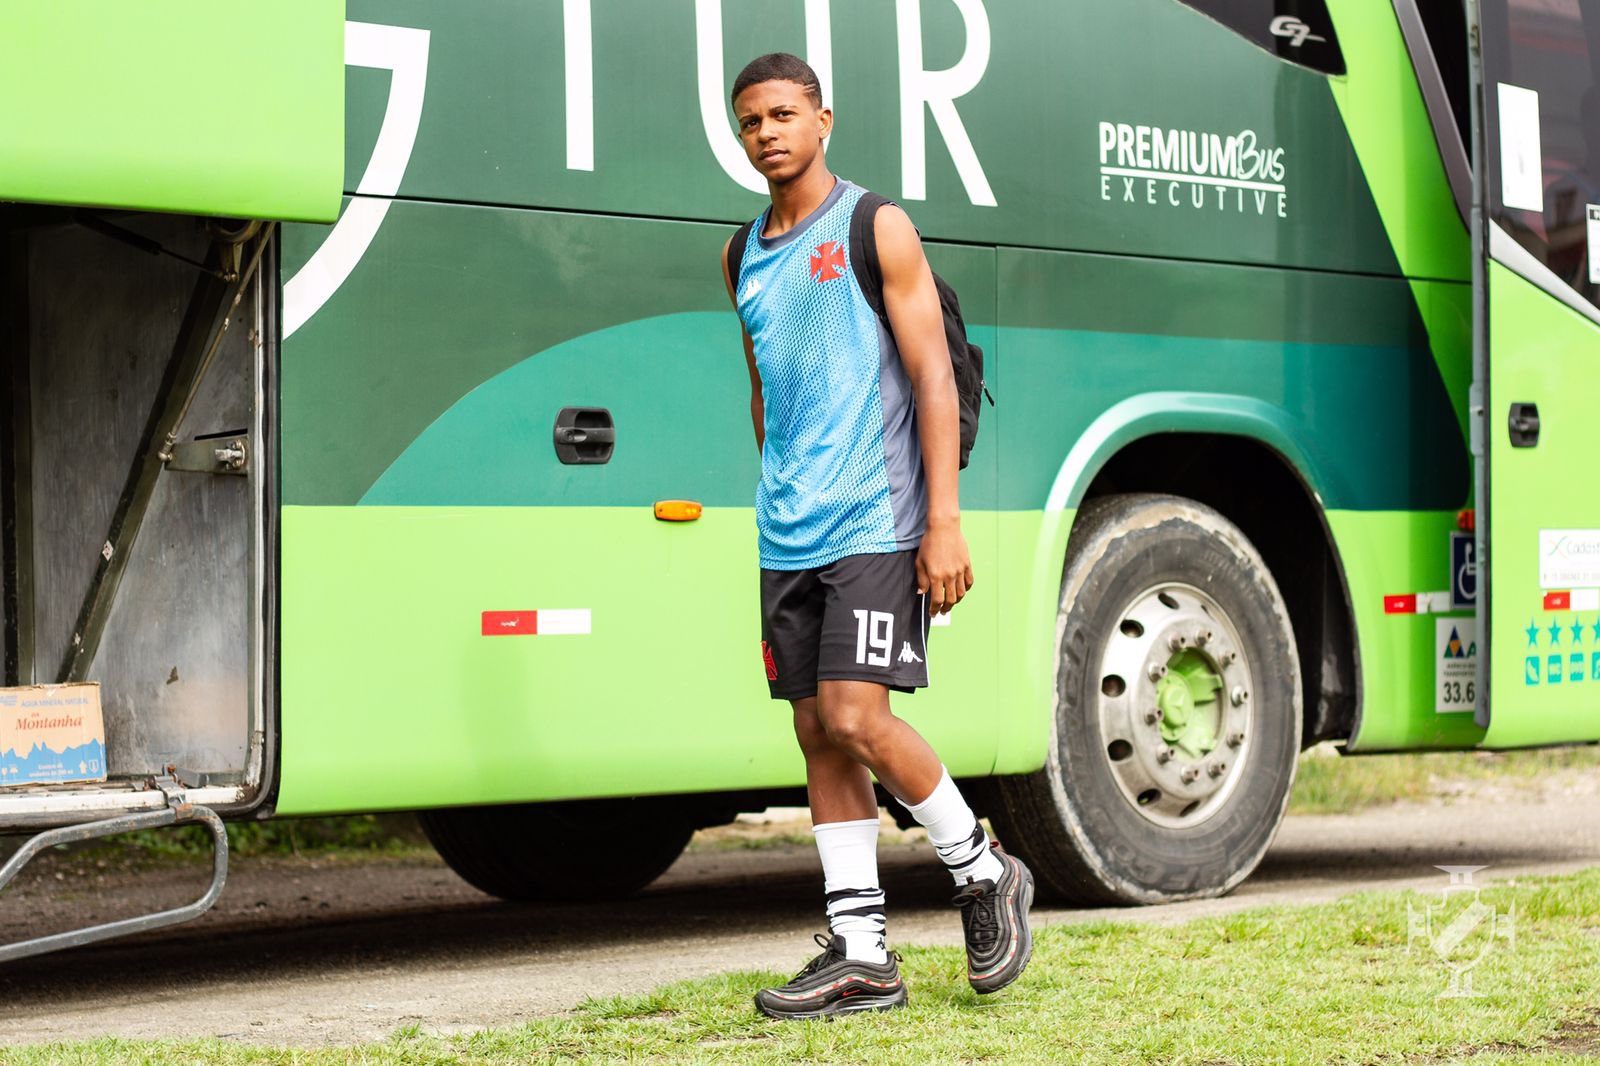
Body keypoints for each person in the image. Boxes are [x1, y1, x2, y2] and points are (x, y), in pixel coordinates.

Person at [719, 52, 1034, 1020]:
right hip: (789, 530)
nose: (767, 133)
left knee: (858, 717)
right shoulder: (739, 254)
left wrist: (943, 521)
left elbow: (933, 375)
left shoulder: (874, 226)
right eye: (750, 121)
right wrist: (779, 493)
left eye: (783, 114)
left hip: (876, 518)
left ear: (823, 120)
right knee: (817, 729)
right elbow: (764, 389)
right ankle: (862, 954)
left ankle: (984, 870)